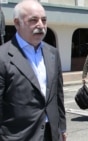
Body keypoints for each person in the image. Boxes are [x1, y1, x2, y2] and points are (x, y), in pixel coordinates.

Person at [0, 0, 67, 141]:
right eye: (33, 20)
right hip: (19, 136)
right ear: (17, 23)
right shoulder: (2, 56)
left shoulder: (52, 53)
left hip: (51, 134)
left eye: (44, 20)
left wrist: (62, 128)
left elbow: (57, 95)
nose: (41, 25)